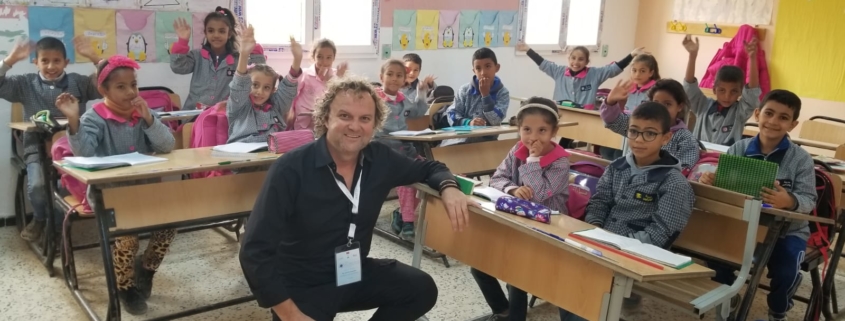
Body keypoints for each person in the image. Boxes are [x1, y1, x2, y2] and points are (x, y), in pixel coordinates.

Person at [239, 77, 476, 321]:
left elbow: (430, 168)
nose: (355, 126)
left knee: (420, 289)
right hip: (303, 283)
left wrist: (450, 188)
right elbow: (254, 251)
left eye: (365, 119)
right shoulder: (291, 169)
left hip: (352, 272)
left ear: (375, 124)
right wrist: (290, 315)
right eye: (344, 116)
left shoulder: (380, 159)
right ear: (325, 118)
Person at [58, 56, 177, 315]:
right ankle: (124, 287)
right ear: (104, 90)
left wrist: (148, 118)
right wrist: (74, 120)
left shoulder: (143, 111)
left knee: (169, 225)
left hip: (144, 190)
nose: (131, 92)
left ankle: (145, 271)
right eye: (121, 87)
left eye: (133, 85)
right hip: (109, 195)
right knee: (127, 237)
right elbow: (86, 153)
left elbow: (167, 145)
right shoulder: (96, 117)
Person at [560, 102, 695, 321]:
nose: (639, 139)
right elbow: (599, 201)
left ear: (666, 138)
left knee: (583, 295)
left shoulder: (674, 183)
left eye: (650, 133)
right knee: (563, 281)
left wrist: (616, 249)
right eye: (634, 131)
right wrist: (596, 231)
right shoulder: (617, 167)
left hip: (638, 256)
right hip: (603, 245)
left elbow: (661, 234)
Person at [699, 90, 815, 321]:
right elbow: (724, 193)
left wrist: (790, 201)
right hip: (741, 225)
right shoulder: (739, 149)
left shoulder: (801, 159)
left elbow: (809, 201)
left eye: (783, 118)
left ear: (792, 125)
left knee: (786, 269)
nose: (773, 121)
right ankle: (729, 294)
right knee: (714, 256)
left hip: (787, 232)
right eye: (769, 113)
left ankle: (778, 311)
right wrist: (711, 181)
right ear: (757, 114)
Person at [473, 97, 571, 321]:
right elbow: (497, 178)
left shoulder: (561, 162)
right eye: (527, 129)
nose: (533, 137)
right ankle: (503, 310)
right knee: (479, 264)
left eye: (542, 130)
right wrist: (512, 189)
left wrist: (533, 160)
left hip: (548, 228)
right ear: (519, 129)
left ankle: (515, 317)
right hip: (516, 222)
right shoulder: (517, 149)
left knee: (516, 274)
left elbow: (538, 196)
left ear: (554, 131)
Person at [0, 36, 102, 241]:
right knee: (38, 185)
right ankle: (39, 218)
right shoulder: (25, 84)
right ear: (35, 62)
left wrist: (94, 57)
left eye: (56, 61)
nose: (51, 66)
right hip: (37, 149)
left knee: (66, 186)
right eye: (44, 60)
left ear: (66, 62)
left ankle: (56, 225)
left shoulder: (78, 82)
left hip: (72, 149)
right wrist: (9, 60)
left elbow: (107, 81)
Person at [516, 42, 645, 153]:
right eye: (573, 58)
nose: (576, 62)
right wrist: (528, 49)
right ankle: (561, 151)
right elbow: (543, 63)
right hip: (562, 113)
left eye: (581, 59)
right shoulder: (559, 71)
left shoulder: (594, 74)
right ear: (569, 58)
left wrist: (632, 55)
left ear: (587, 61)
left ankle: (566, 151)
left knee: (577, 138)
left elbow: (613, 69)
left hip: (585, 116)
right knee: (562, 138)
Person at [372, 59, 434, 241]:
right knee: (406, 176)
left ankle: (401, 213)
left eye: (399, 75)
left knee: (426, 174)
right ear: (381, 76)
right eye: (390, 74)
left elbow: (417, 112)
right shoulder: (374, 97)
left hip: (404, 147)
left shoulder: (403, 99)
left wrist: (421, 91)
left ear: (405, 79)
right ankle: (408, 221)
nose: (394, 79)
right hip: (382, 150)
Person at [170, 6, 266, 110]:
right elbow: (178, 67)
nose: (216, 35)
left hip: (224, 116)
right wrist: (182, 42)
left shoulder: (238, 59)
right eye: (211, 31)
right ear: (205, 33)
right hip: (195, 115)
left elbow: (259, 72)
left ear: (229, 34)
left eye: (221, 31)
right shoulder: (197, 56)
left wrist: (251, 47)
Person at [601, 79, 700, 173]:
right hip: (629, 176)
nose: (660, 108)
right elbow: (613, 121)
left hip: (659, 185)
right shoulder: (639, 123)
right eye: (656, 103)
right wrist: (611, 101)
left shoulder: (685, 138)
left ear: (680, 106)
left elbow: (685, 169)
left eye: (667, 104)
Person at [227, 26, 301, 144]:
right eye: (255, 85)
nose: (260, 92)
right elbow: (239, 87)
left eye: (266, 88)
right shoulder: (239, 106)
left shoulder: (276, 106)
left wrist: (297, 60)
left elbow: (286, 92)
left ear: (273, 90)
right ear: (247, 85)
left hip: (270, 155)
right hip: (241, 156)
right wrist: (244, 54)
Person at [683, 34, 760, 146]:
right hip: (698, 158)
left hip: (725, 161)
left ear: (740, 92)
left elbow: (752, 90)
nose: (727, 96)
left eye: (733, 91)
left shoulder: (740, 112)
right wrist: (692, 56)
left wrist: (752, 58)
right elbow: (689, 86)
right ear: (714, 90)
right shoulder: (703, 106)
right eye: (722, 90)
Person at [441, 47, 510, 146]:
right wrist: (468, 123)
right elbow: (452, 113)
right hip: (459, 141)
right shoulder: (465, 90)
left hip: (487, 143)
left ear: (497, 68)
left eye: (488, 66)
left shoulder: (502, 93)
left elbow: (496, 120)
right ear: (474, 70)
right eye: (478, 68)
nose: (483, 72)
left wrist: (485, 95)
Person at [287, 38, 349, 130]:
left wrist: (338, 79)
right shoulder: (305, 74)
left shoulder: (336, 75)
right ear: (313, 57)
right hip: (303, 120)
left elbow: (342, 99)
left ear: (333, 58)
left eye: (328, 57)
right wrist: (290, 111)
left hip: (325, 120)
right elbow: (292, 94)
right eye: (320, 57)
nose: (324, 61)